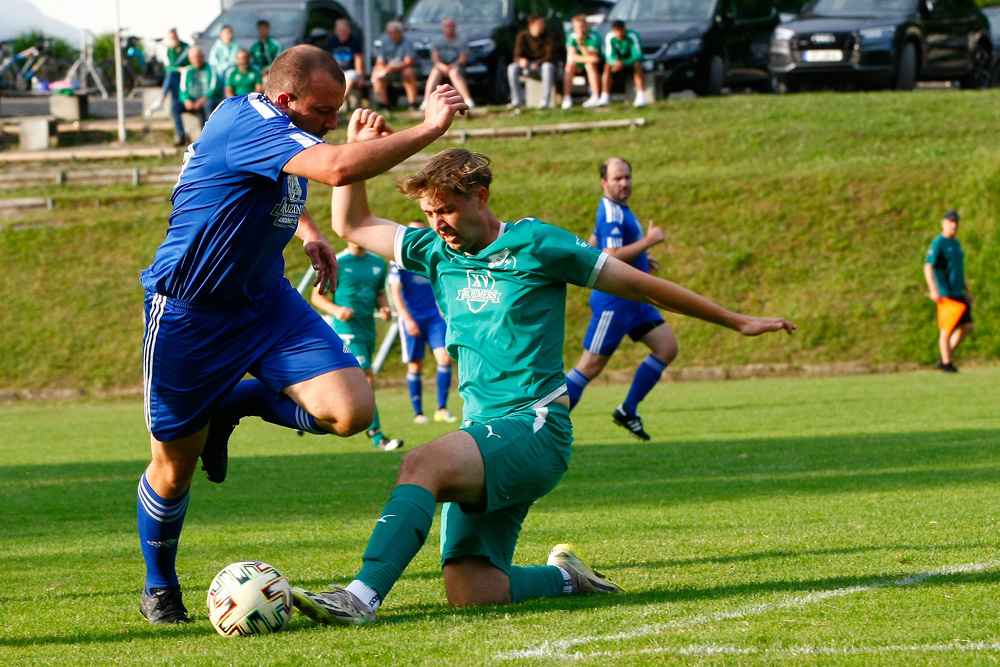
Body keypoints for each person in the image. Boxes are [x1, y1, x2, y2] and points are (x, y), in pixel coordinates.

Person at [290, 137, 795, 625]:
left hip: (534, 426)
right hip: (483, 431)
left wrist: (736, 320)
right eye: (428, 213)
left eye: (445, 209)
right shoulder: (438, 252)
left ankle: (359, 596)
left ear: (480, 196)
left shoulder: (537, 244)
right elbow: (352, 223)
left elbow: (643, 286)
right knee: (472, 591)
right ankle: (568, 578)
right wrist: (356, 151)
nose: (437, 223)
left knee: (421, 464)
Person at [136, 45, 468, 625]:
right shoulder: (244, 121)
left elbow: (278, 184)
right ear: (286, 99)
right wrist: (430, 127)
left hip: (265, 303)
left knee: (352, 411)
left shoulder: (280, 127)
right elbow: (337, 166)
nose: (333, 120)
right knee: (174, 464)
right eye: (324, 110)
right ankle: (159, 585)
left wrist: (307, 231)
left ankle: (232, 405)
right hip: (190, 314)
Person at [564, 158, 674, 440]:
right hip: (615, 303)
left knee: (666, 347)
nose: (624, 183)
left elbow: (594, 247)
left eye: (627, 177)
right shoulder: (612, 212)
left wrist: (640, 260)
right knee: (588, 368)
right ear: (604, 183)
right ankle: (544, 426)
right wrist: (649, 241)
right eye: (617, 179)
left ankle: (628, 410)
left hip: (635, 301)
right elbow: (611, 256)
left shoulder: (618, 210)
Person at [310, 242, 404, 450]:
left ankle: (313, 412)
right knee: (366, 378)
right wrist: (336, 310)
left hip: (367, 330)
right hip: (346, 330)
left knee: (344, 381)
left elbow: (379, 291)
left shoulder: (378, 262)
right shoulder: (338, 261)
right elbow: (317, 296)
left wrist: (384, 306)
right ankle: (378, 436)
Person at [387, 220, 457, 425]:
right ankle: (418, 413)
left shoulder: (432, 254)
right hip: (412, 316)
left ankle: (442, 408)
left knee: (444, 359)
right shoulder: (398, 258)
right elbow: (395, 292)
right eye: (413, 232)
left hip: (434, 317)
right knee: (415, 366)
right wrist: (407, 319)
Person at [924, 209, 973, 372]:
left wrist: (967, 290)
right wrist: (933, 290)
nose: (954, 225)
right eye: (951, 222)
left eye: (956, 222)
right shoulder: (938, 243)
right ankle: (946, 363)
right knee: (947, 328)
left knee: (967, 326)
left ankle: (946, 356)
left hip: (958, 291)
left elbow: (959, 270)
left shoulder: (956, 244)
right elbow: (928, 266)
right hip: (946, 293)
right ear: (943, 223)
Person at [421, 17, 475, 111]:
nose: (449, 28)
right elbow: (435, 58)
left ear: (454, 27)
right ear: (443, 28)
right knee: (435, 72)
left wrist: (452, 66)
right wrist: (442, 66)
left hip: (457, 66)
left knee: (453, 72)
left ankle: (468, 99)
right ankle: (426, 101)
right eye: (446, 26)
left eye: (451, 26)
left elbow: (463, 59)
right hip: (441, 67)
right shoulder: (437, 41)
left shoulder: (461, 40)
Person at [507, 14, 559, 109]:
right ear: (531, 25)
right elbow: (517, 55)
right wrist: (521, 60)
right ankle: (517, 100)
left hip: (542, 66)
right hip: (527, 66)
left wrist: (538, 63)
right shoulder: (522, 36)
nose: (543, 26)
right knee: (512, 68)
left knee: (547, 67)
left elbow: (550, 56)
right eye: (540, 24)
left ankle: (545, 102)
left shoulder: (548, 36)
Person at [149, 29, 189, 145]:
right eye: (171, 38)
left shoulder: (185, 47)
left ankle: (161, 99)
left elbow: (189, 62)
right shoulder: (168, 50)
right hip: (175, 79)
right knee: (171, 76)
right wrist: (178, 69)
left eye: (174, 37)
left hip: (186, 79)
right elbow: (168, 67)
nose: (173, 40)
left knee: (172, 77)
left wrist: (180, 69)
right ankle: (181, 135)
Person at [176, 46, 221, 143]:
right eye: (194, 57)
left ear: (203, 57)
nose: (196, 59)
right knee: (175, 106)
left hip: (205, 99)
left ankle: (210, 136)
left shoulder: (210, 69)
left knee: (209, 105)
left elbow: (214, 87)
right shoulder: (187, 71)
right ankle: (181, 136)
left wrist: (202, 100)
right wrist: (186, 100)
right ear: (190, 59)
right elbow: (182, 90)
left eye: (198, 56)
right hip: (191, 100)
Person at [371, 21, 419, 111]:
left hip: (403, 69)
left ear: (400, 32)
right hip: (389, 70)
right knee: (376, 73)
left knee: (408, 72)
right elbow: (379, 61)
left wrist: (395, 68)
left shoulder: (407, 42)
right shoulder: (385, 43)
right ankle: (384, 106)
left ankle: (413, 103)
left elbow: (409, 62)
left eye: (396, 33)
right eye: (391, 33)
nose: (393, 35)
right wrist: (383, 67)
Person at [597, 20, 646, 108]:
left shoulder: (632, 36)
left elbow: (637, 55)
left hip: (630, 63)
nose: (618, 33)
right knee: (607, 66)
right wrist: (615, 62)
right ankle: (604, 96)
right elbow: (609, 56)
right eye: (616, 31)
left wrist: (623, 63)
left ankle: (641, 95)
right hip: (618, 65)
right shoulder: (610, 37)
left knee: (637, 65)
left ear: (624, 29)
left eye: (619, 31)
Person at [562, 14, 602, 109]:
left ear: (586, 25)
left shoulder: (594, 36)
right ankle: (567, 97)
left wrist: (581, 44)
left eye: (580, 26)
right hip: (580, 62)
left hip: (597, 64)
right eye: (576, 27)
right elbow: (573, 56)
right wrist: (587, 58)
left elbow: (594, 58)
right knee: (569, 66)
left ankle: (595, 96)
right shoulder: (571, 35)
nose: (578, 29)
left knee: (590, 65)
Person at [327, 19, 365, 106]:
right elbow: (329, 59)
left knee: (349, 79)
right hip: (337, 71)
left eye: (344, 31)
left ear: (349, 30)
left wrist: (361, 76)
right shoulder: (332, 41)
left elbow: (358, 59)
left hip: (351, 70)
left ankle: (338, 103)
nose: (342, 33)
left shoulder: (354, 40)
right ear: (336, 32)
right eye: (340, 31)